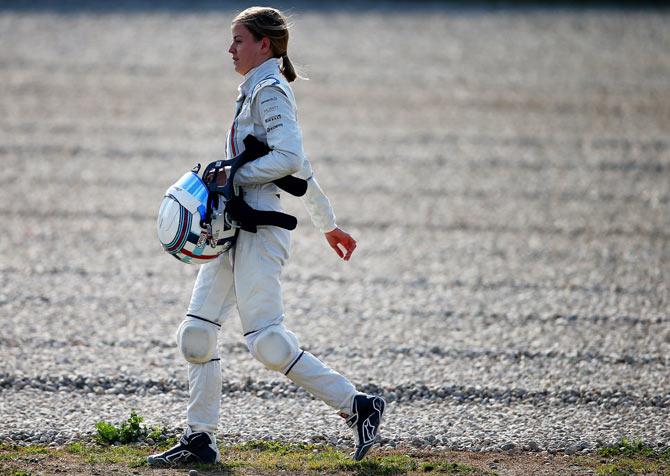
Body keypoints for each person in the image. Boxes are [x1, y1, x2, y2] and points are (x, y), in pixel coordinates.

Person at [148, 6, 385, 466]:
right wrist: (328, 223)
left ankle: (359, 405)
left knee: (267, 343)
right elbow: (302, 166)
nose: (230, 49)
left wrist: (233, 177)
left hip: (260, 230)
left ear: (264, 45)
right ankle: (200, 440)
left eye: (238, 40)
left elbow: (291, 158)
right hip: (230, 229)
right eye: (232, 40)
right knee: (196, 335)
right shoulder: (257, 89)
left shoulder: (270, 89)